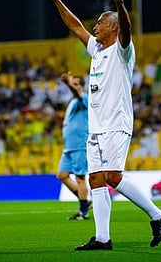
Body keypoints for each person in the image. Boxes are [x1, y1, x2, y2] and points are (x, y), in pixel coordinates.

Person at [40, 0, 161, 251]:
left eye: (100, 22)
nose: (95, 26)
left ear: (112, 27)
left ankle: (158, 215)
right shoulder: (96, 49)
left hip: (116, 122)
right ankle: (102, 238)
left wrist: (120, 5)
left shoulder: (123, 50)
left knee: (112, 176)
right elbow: (75, 26)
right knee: (96, 179)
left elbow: (126, 29)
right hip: (96, 126)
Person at [57, 71, 91, 220]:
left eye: (77, 85)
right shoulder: (73, 102)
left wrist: (69, 83)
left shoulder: (83, 98)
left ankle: (83, 212)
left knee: (80, 178)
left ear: (82, 87)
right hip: (69, 147)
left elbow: (76, 93)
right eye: (74, 84)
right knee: (62, 175)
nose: (75, 87)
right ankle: (84, 200)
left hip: (79, 145)